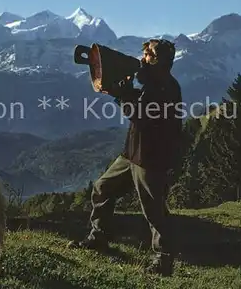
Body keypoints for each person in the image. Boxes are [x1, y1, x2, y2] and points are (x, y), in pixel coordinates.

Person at [67, 39, 183, 277]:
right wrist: (124, 91)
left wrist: (120, 95)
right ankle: (99, 237)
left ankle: (163, 259)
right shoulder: (155, 84)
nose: (143, 59)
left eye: (147, 55)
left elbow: (139, 114)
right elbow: (139, 104)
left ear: (158, 60)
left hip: (150, 158)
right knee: (102, 189)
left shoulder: (164, 88)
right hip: (132, 153)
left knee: (154, 210)